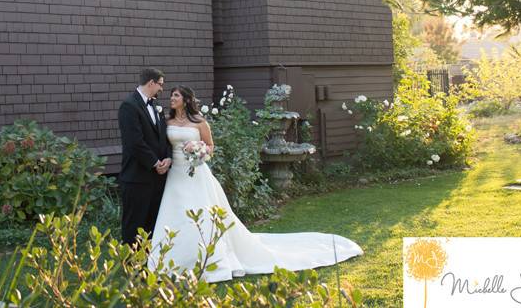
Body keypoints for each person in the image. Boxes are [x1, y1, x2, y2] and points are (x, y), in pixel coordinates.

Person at [149, 86, 363, 282]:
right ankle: (171, 261)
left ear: (186, 100)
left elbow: (211, 146)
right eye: (171, 96)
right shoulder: (166, 123)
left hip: (197, 174)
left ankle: (210, 260)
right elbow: (164, 147)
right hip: (175, 174)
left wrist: (199, 151)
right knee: (175, 213)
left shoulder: (199, 122)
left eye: (176, 95)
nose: (172, 99)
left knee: (202, 215)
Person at [118, 67, 172, 245]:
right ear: (151, 83)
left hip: (157, 178)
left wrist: (167, 158)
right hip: (137, 177)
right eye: (160, 85)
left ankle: (147, 262)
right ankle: (129, 265)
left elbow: (164, 136)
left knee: (151, 223)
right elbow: (134, 142)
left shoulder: (156, 105)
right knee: (134, 224)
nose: (162, 89)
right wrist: (155, 162)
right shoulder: (129, 106)